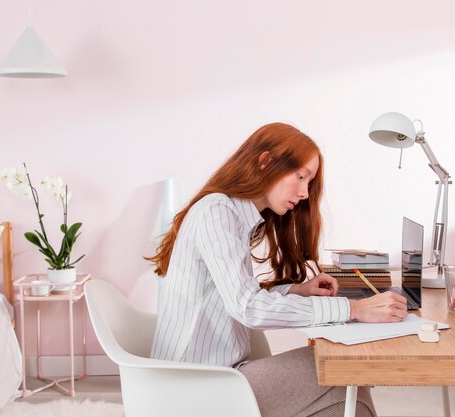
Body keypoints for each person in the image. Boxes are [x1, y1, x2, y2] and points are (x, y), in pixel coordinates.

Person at [147, 122, 408, 417]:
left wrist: (297, 290)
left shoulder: (228, 214)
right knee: (339, 368)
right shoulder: (216, 212)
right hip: (193, 390)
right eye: (300, 177)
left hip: (213, 378)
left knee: (348, 401)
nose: (305, 193)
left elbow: (235, 294)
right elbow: (247, 307)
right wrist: (354, 309)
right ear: (265, 162)